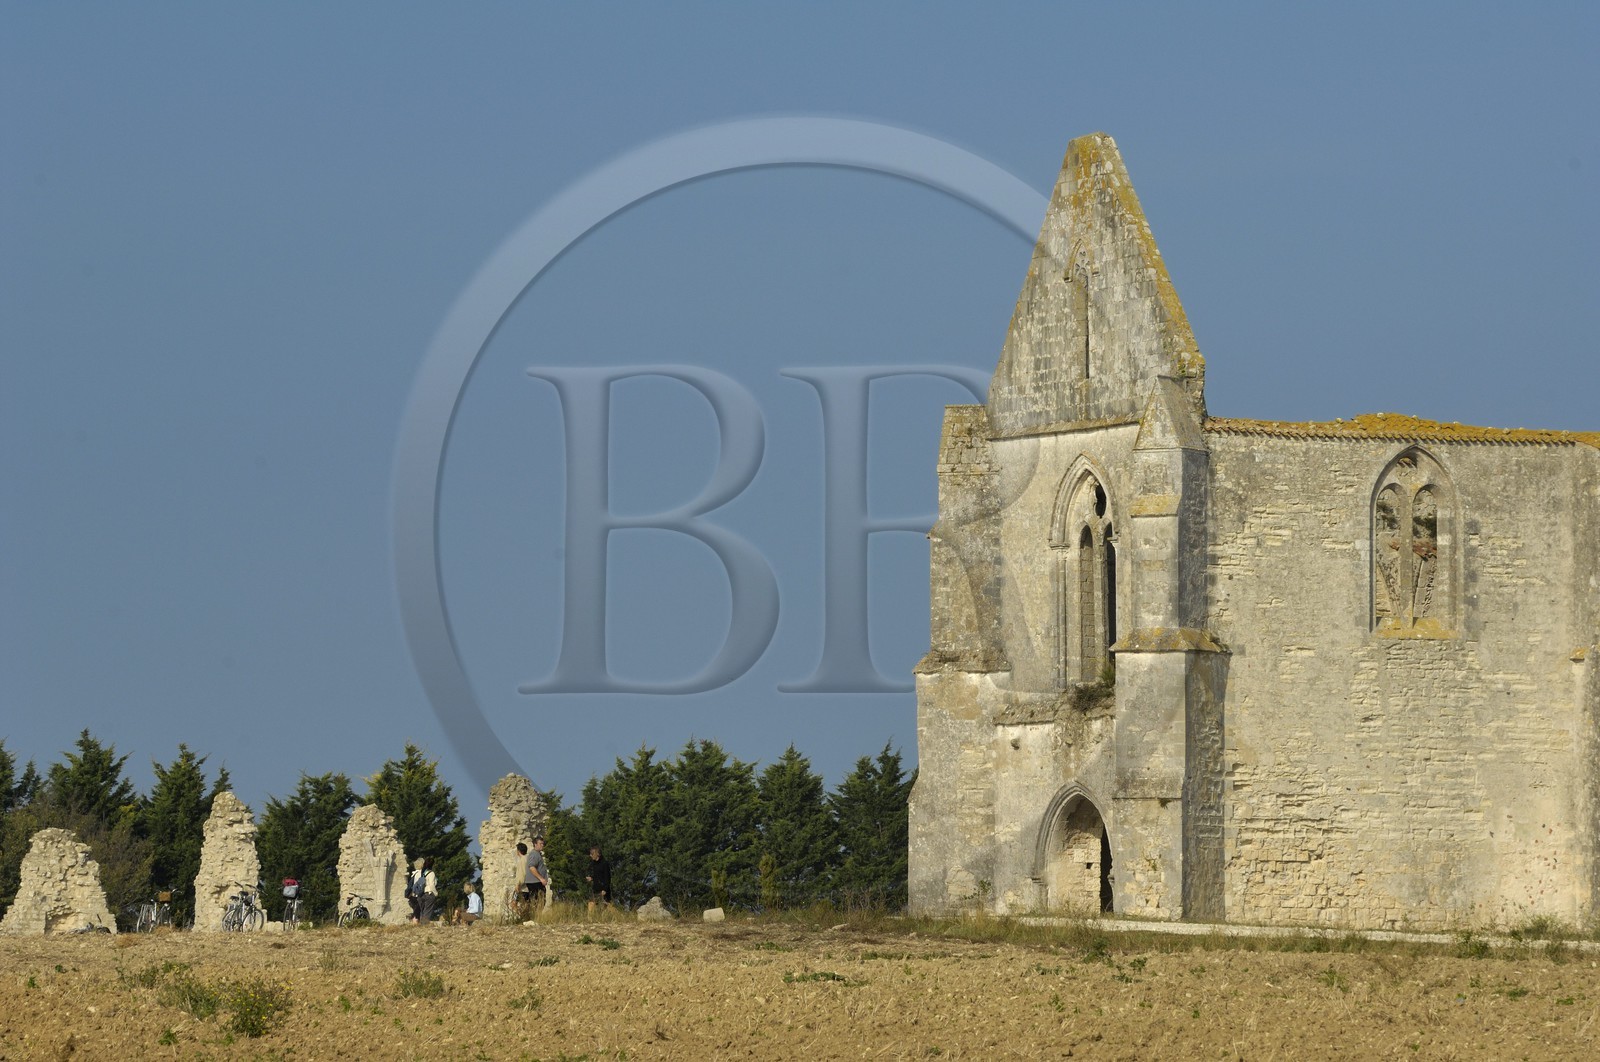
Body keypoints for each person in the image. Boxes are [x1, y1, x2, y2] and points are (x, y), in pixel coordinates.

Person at [524, 837, 550, 912]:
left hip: (536, 882)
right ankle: (535, 918)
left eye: (543, 843)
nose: (542, 845)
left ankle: (536, 917)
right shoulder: (534, 854)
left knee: (539, 901)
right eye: (540, 843)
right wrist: (541, 878)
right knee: (538, 901)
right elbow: (532, 867)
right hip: (535, 882)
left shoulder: (537, 854)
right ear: (535, 844)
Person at [585, 846, 612, 912]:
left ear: (597, 854)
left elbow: (607, 877)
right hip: (596, 888)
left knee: (608, 906)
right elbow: (597, 876)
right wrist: (592, 878)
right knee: (591, 903)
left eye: (592, 853)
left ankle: (620, 917)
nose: (590, 855)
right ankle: (589, 920)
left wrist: (605, 889)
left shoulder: (605, 864)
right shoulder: (594, 864)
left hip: (603, 889)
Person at [417, 856, 439, 924]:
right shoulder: (431, 873)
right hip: (429, 893)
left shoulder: (423, 873)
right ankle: (424, 925)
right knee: (427, 912)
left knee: (422, 912)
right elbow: (432, 885)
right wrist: (436, 893)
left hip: (422, 894)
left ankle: (421, 925)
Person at [407, 857, 426, 924]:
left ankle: (414, 920)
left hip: (413, 894)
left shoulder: (414, 873)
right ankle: (415, 921)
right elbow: (420, 884)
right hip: (418, 894)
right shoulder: (421, 873)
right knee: (418, 910)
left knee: (417, 909)